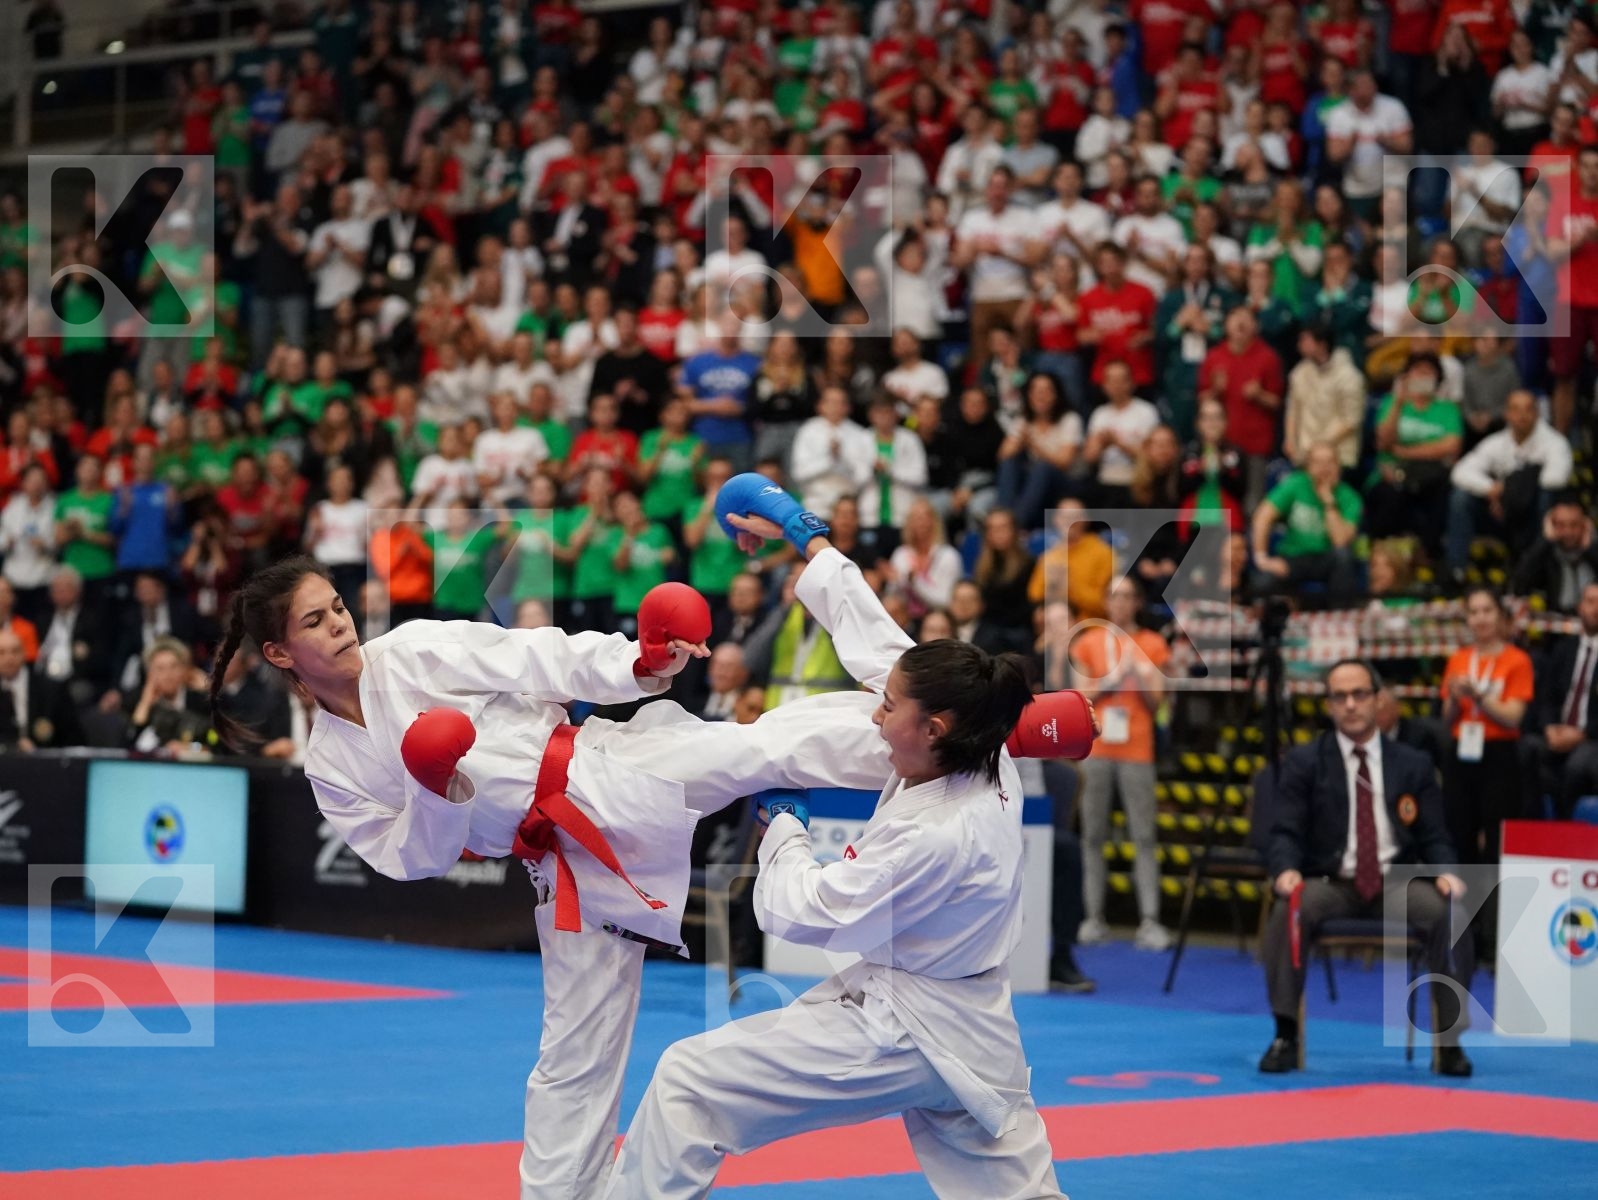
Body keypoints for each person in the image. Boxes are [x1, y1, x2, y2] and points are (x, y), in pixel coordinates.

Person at [210, 525, 1092, 1200]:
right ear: (282, 653)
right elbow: (407, 860)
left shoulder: (409, 654)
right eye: (315, 622)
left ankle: (992, 730)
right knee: (574, 1053)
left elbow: (534, 654)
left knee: (762, 747)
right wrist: (437, 791)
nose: (340, 627)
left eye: (337, 607)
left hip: (607, 772)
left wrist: (633, 662)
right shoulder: (329, 761)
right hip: (561, 866)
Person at [603, 496, 1094, 1200]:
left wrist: (784, 824)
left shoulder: (937, 832)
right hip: (975, 1028)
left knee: (689, 1083)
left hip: (905, 1028)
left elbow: (806, 911)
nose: (876, 710)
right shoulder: (977, 743)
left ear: (935, 728)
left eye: (890, 708)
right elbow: (873, 638)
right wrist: (808, 539)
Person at [1259, 658, 1473, 1078]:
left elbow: (1435, 834)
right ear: (1328, 706)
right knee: (1290, 911)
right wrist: (1285, 869)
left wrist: (1447, 870)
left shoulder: (1412, 763)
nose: (1350, 704)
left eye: (1359, 694)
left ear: (1378, 700)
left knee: (1453, 914)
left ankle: (1449, 1041)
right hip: (1330, 881)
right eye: (1340, 697)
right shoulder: (1305, 762)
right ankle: (1286, 1033)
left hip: (1397, 882)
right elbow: (1284, 832)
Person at [1071, 573, 1172, 952]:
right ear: (1105, 602)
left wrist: (1141, 676)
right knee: (1092, 836)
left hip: (1137, 750)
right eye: (1114, 595)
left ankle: (1150, 921)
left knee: (1144, 837)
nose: (1121, 602)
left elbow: (1157, 703)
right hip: (1096, 750)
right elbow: (1079, 699)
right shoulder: (1088, 642)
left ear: (1138, 602)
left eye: (1128, 595)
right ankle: (1093, 917)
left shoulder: (1153, 643)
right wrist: (1114, 678)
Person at [1441, 588, 1534, 961]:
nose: (1480, 618)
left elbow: (1513, 716)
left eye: (1487, 611)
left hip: (1498, 755)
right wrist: (1454, 699)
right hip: (1461, 751)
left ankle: (1496, 940)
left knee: (1495, 846)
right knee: (1459, 842)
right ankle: (1463, 936)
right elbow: (1446, 719)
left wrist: (1478, 696)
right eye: (1473, 612)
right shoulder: (1458, 659)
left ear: (1501, 617)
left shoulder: (1517, 660)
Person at [1522, 582, 1598, 819]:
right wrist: (1549, 728)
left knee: (1578, 765)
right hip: (1557, 733)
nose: (1596, 608)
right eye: (1591, 601)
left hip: (1591, 738)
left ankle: (1568, 830)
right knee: (1525, 751)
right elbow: (1546, 696)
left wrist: (1583, 734)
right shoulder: (1563, 649)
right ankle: (1530, 827)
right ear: (1579, 607)